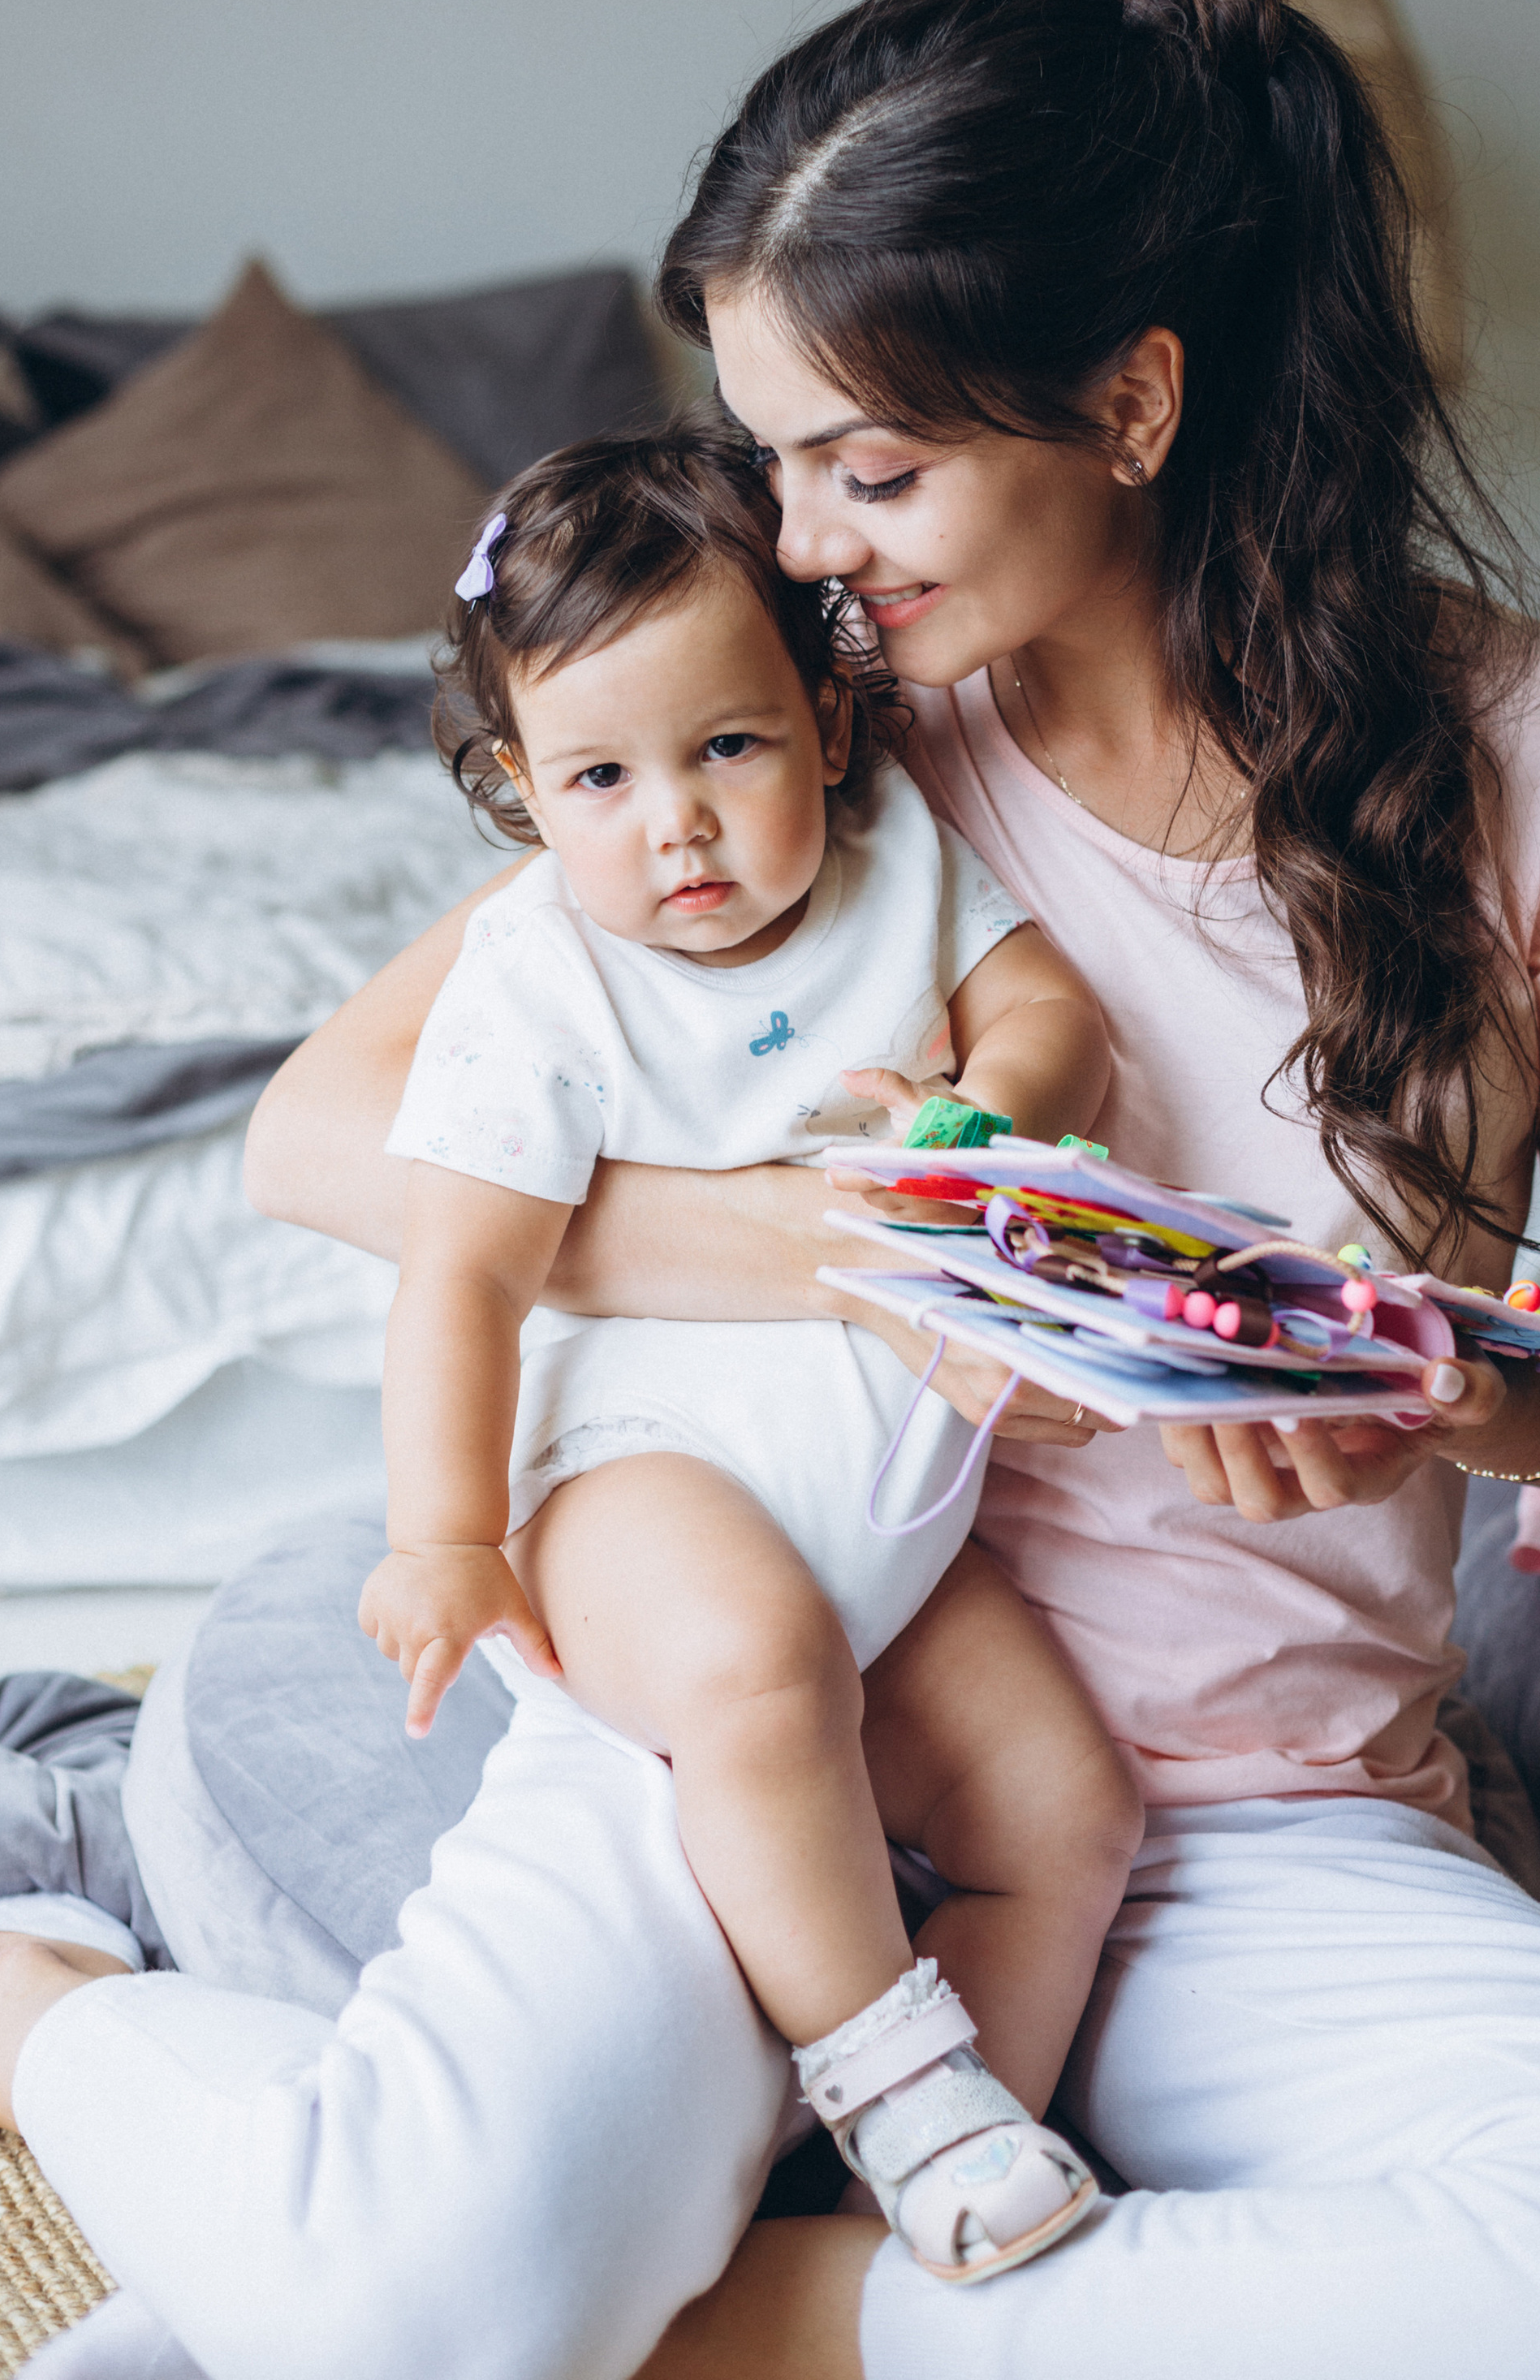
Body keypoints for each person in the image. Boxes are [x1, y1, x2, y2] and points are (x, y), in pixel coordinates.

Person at [0, 0, 1540, 2380]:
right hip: (761, 1711)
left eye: (870, 469)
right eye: (770, 452)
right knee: (415, 2297)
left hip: (1257, 1809)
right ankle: (5, 2022)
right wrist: (827, 1239)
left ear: (1132, 401)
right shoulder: (810, 732)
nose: (802, 539)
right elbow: (319, 1132)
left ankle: (697, 2321)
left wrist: (1437, 1391)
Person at [360, 425, 1133, 2280]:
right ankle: (898, 2084)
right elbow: (458, 1277)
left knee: (1069, 1812)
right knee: (759, 1663)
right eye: (599, 776)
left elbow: (1054, 1011)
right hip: (627, 1477)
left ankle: (906, 2196)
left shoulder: (896, 863)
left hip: (877, 1512)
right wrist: (443, 1533)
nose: (675, 823)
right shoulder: (545, 977)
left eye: (726, 745)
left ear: (830, 725)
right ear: (525, 796)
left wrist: (977, 1108)